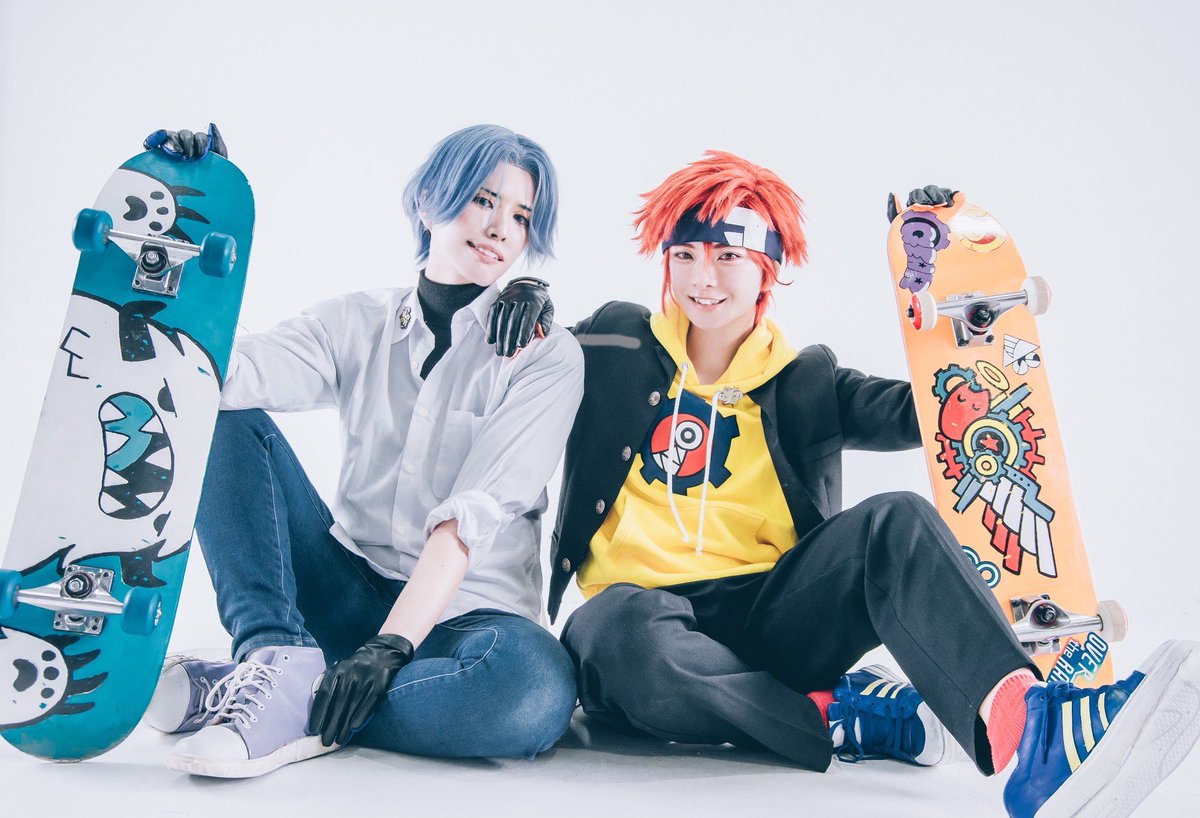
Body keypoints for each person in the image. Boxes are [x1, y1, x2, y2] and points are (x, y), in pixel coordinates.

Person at [486, 152, 1200, 817]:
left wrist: (948, 278)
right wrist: (521, 295)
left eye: (728, 256)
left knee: (896, 520)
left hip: (775, 614)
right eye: (685, 255)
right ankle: (839, 713)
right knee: (618, 635)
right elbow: (521, 361)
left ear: (767, 268)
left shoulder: (807, 380)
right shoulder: (611, 342)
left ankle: (1034, 731)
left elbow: (933, 408)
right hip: (640, 620)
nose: (703, 278)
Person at [143, 124, 585, 779]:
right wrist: (194, 219)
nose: (500, 228)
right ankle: (273, 655)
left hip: (466, 624)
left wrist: (391, 646)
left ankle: (279, 695)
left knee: (533, 695)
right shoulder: (354, 323)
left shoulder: (545, 354)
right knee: (221, 414)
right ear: (429, 200)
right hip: (345, 590)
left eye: (521, 216)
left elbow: (474, 512)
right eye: (484, 200)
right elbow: (220, 373)